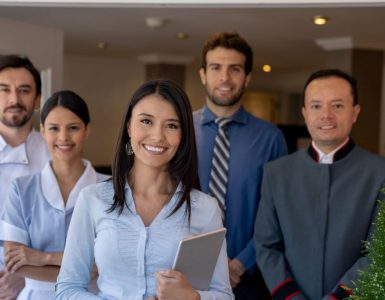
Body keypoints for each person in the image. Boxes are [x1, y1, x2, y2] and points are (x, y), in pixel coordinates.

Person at [55, 79, 234, 300]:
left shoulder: (205, 208)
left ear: (183, 135)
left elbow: (224, 295)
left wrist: (192, 297)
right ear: (130, 126)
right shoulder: (93, 199)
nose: (158, 136)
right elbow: (67, 289)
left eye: (171, 125)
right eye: (146, 121)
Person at [254, 69, 385, 300]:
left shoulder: (379, 173)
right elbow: (266, 247)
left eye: (337, 106)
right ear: (304, 113)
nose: (326, 115)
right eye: (316, 106)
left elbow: (378, 252)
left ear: (355, 112)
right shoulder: (277, 173)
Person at [194, 32, 288, 299]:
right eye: (216, 68)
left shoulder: (271, 139)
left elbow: (277, 214)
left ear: (247, 77)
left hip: (248, 279)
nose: (224, 78)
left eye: (234, 69)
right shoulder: (180, 131)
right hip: (186, 277)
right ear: (203, 74)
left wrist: (240, 264)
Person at [0, 90, 109, 299]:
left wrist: (41, 257)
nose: (63, 137)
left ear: (87, 130)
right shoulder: (21, 190)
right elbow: (15, 264)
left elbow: (104, 263)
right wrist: (83, 267)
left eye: (73, 128)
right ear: (42, 131)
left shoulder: (110, 189)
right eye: (54, 128)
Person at [0, 54, 50, 299]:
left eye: (24, 90)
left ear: (37, 99)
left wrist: (26, 274)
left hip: (34, 286)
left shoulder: (55, 154)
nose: (14, 99)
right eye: (4, 89)